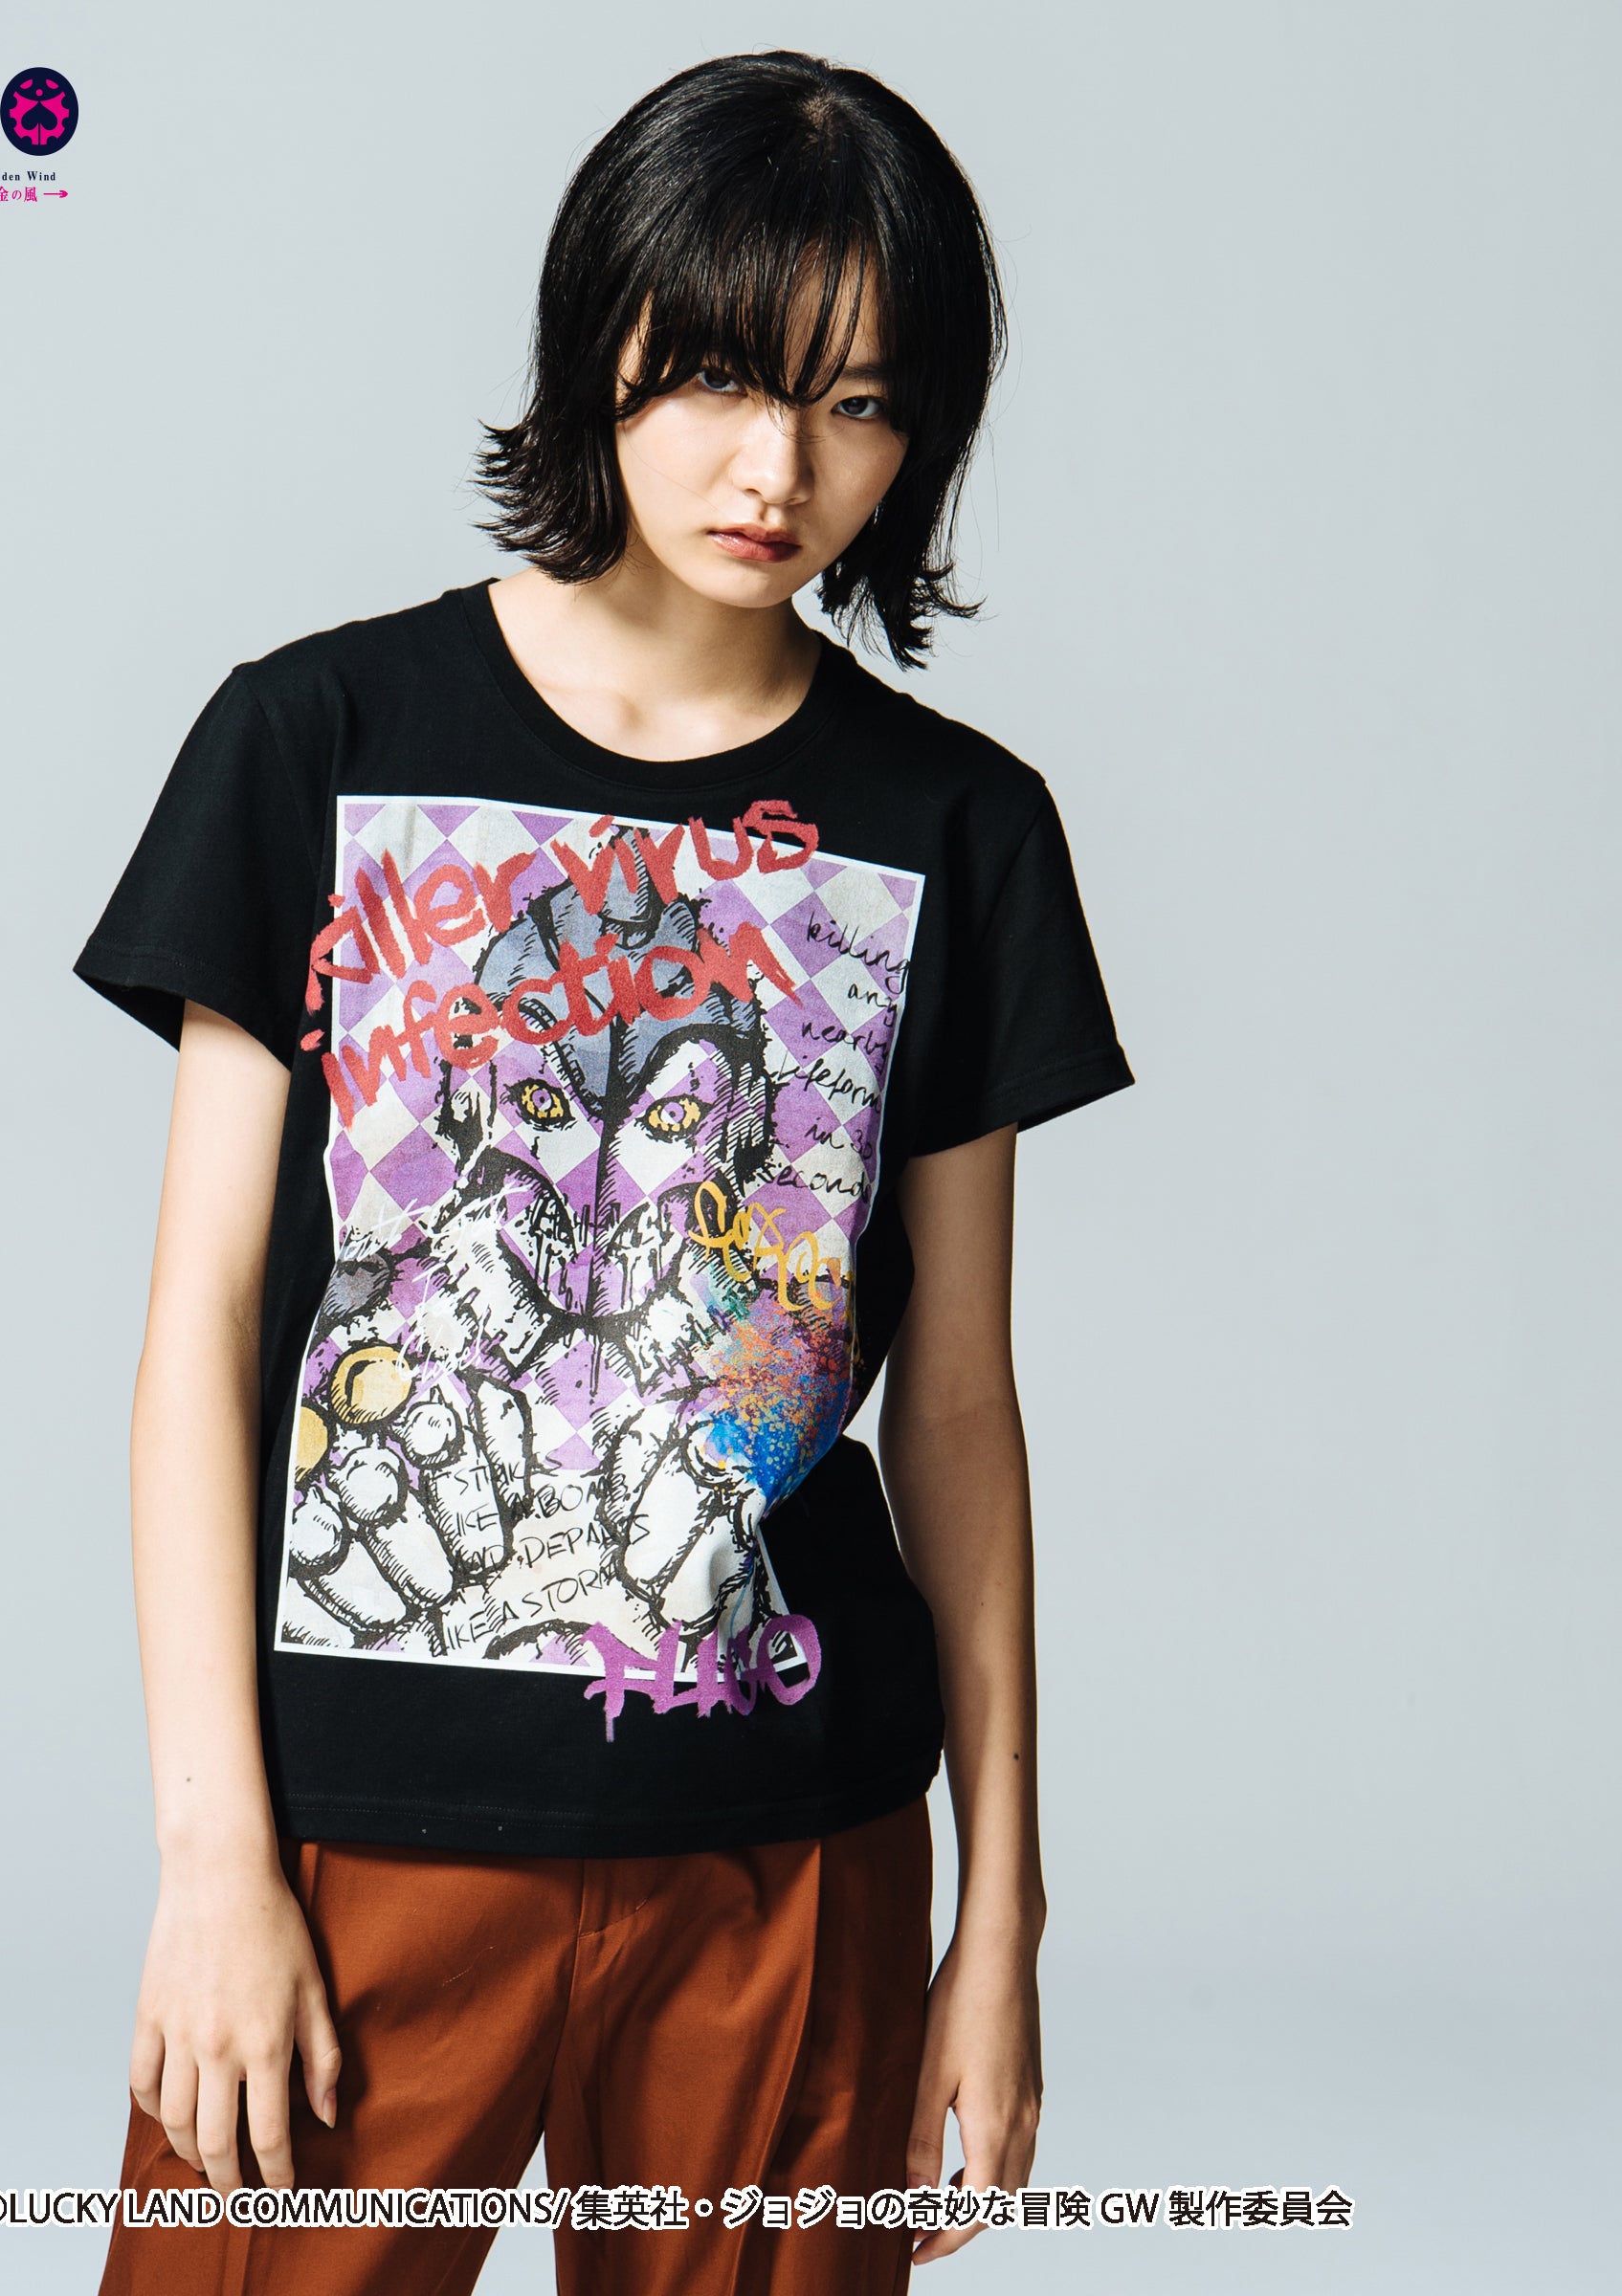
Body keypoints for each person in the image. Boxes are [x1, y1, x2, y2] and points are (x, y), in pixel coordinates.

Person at [76, 47, 1132, 2296]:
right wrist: (210, 1858)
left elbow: (957, 1405)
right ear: (605, 342)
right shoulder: (319, 743)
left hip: (791, 1851)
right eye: (724, 375)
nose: (778, 471)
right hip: (354, 1832)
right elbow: (200, 1334)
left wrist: (1000, 1914)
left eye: (859, 404)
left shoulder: (956, 829)